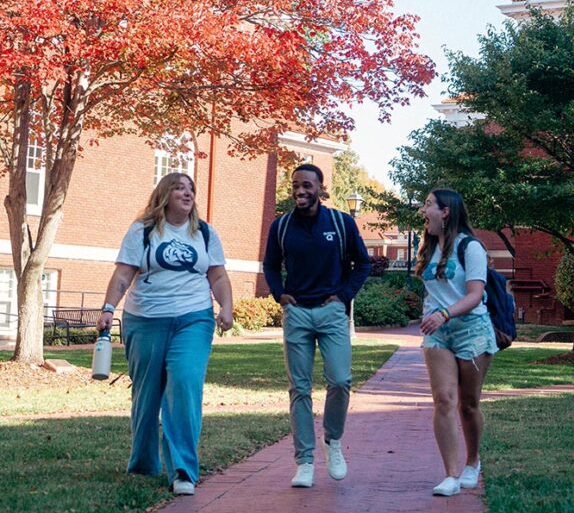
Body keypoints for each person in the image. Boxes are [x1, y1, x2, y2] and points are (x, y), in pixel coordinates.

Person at [97, 172, 233, 496]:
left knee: (185, 382)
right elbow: (123, 274)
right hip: (145, 320)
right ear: (164, 194)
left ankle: (183, 469)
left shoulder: (205, 233)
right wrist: (107, 307)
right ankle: (144, 463)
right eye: (179, 188)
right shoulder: (141, 231)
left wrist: (226, 306)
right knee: (147, 394)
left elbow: (218, 275)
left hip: (194, 318)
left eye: (191, 189)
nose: (187, 194)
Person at [263, 164, 371, 488]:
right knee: (300, 389)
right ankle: (305, 460)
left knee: (340, 380)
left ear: (321, 189)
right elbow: (270, 264)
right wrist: (279, 294)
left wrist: (344, 296)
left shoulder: (341, 223)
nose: (300, 190)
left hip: (331, 313)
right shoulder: (281, 226)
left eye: (307, 185)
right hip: (297, 313)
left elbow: (362, 263)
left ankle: (333, 440)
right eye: (296, 185)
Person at [416, 188, 498, 497]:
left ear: (445, 211)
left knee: (468, 404)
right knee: (445, 399)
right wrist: (434, 315)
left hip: (472, 329)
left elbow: (475, 294)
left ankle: (472, 461)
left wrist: (444, 314)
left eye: (428, 205)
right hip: (438, 332)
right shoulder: (429, 247)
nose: (424, 211)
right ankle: (450, 474)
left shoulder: (470, 247)